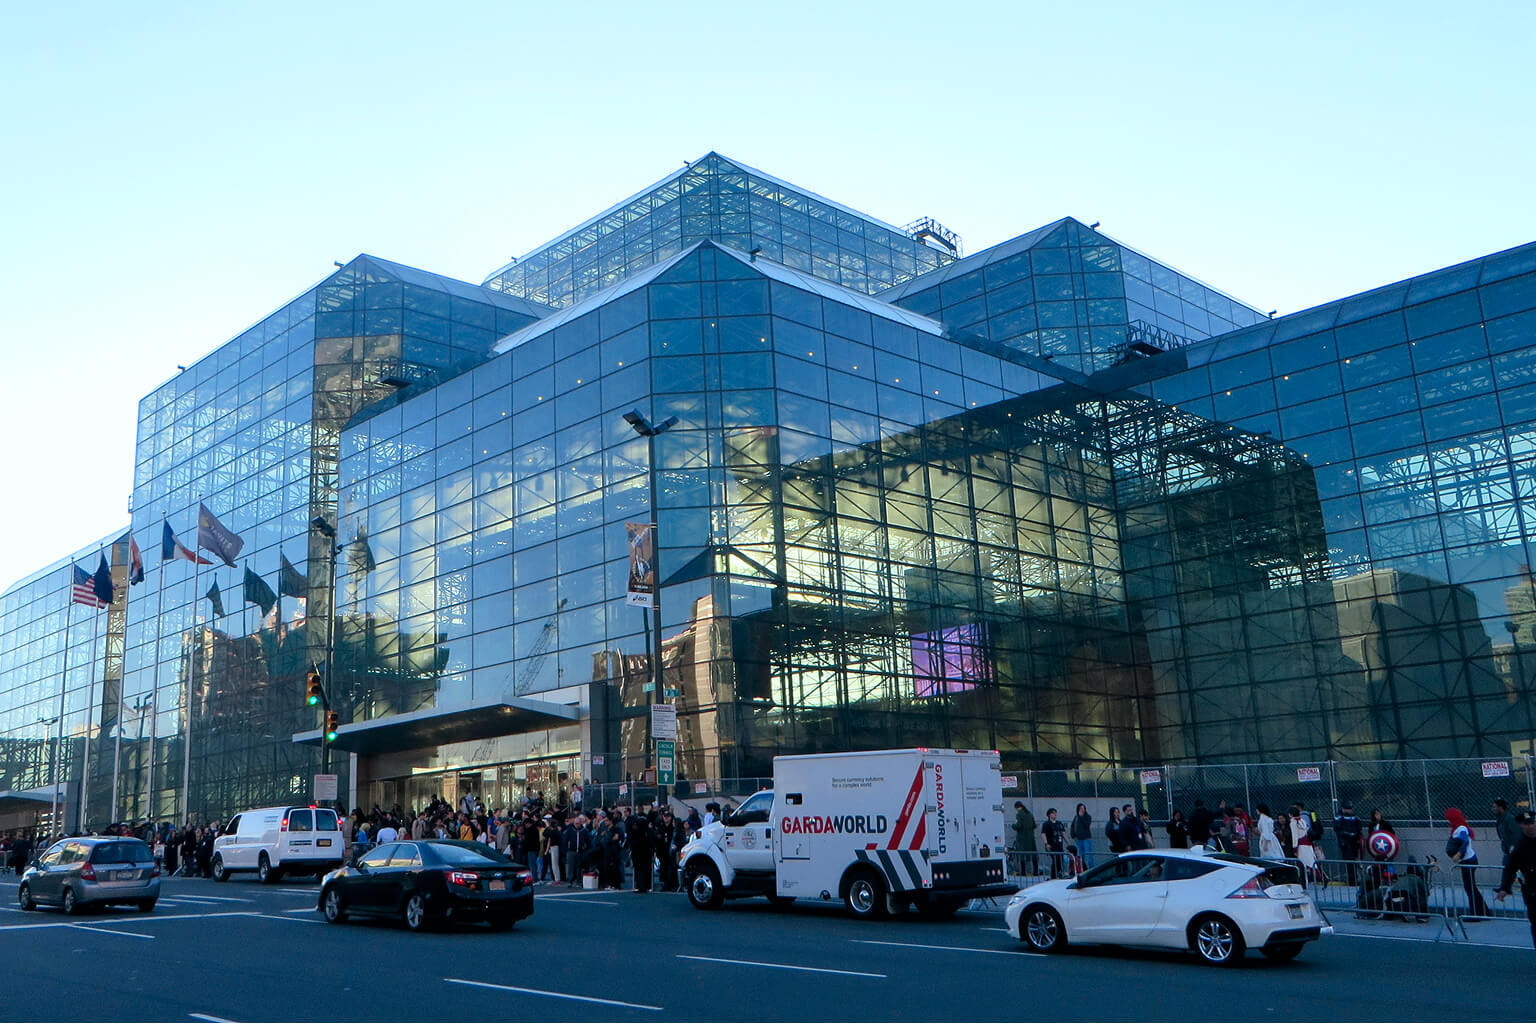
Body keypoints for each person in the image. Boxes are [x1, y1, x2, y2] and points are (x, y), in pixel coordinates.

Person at [1493, 810, 1536, 952]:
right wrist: (1504, 888)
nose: (1530, 826)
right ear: (1521, 826)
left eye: (1532, 823)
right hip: (1532, 890)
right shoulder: (1520, 846)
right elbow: (1510, 868)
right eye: (1526, 824)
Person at [1445, 807, 1489, 917]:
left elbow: (1464, 841)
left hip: (1468, 860)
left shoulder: (1461, 829)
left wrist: (1458, 854)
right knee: (1471, 887)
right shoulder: (1460, 828)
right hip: (1468, 860)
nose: (1448, 821)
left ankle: (1475, 914)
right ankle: (1483, 912)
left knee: (1470, 888)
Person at [1335, 802, 1364, 884]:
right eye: (1347, 809)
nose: (1349, 810)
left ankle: (1355, 877)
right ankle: (1352, 880)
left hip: (1354, 841)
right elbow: (1338, 829)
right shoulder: (1339, 817)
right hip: (1346, 841)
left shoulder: (1355, 817)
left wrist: (1358, 838)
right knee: (1349, 860)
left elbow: (1359, 828)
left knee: (1354, 860)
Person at [1041, 808, 1068, 878]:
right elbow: (1043, 834)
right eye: (1053, 813)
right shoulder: (1046, 824)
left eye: (1055, 813)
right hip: (1052, 845)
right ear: (1049, 815)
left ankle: (1057, 874)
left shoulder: (1059, 823)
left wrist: (1068, 842)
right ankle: (1053, 875)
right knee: (1055, 861)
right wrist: (1046, 843)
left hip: (1059, 846)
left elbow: (1063, 833)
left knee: (1060, 861)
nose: (1055, 814)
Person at [1012, 802, 1038, 874]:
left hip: (1022, 838)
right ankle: (1035, 871)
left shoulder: (1019, 814)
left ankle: (1023, 871)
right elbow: (1034, 825)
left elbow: (1018, 825)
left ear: (1017, 807)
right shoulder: (1029, 814)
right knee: (1033, 854)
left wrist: (1013, 826)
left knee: (1022, 854)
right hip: (1031, 838)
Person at [1495, 799, 1521, 868]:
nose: (1493, 809)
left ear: (1500, 807)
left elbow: (1517, 835)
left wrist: (1512, 848)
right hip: (1507, 852)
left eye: (1495, 807)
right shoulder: (1499, 820)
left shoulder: (1510, 819)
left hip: (1514, 853)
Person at [1070, 803, 1094, 867]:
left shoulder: (1088, 817)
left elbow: (1087, 825)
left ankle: (1091, 868)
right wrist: (1073, 835)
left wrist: (1081, 817)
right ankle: (1082, 868)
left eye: (1083, 808)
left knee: (1089, 855)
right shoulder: (1076, 817)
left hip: (1086, 838)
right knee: (1080, 855)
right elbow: (1072, 826)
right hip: (1078, 839)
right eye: (1080, 808)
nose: (1082, 810)